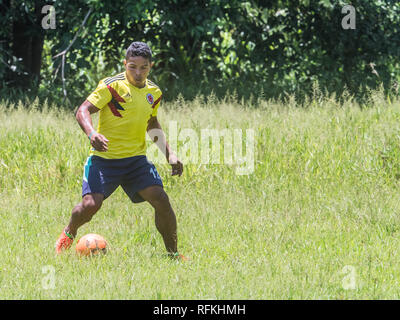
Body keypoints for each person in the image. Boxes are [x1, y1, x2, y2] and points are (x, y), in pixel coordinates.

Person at [55, 41, 187, 261]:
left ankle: (173, 255)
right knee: (90, 206)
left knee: (161, 199)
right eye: (132, 66)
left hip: (135, 161)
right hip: (104, 159)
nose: (137, 72)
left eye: (143, 67)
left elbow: (152, 123)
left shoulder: (154, 92)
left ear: (150, 66)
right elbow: (83, 110)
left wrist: (169, 153)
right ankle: (69, 233)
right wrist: (91, 134)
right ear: (125, 64)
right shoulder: (111, 86)